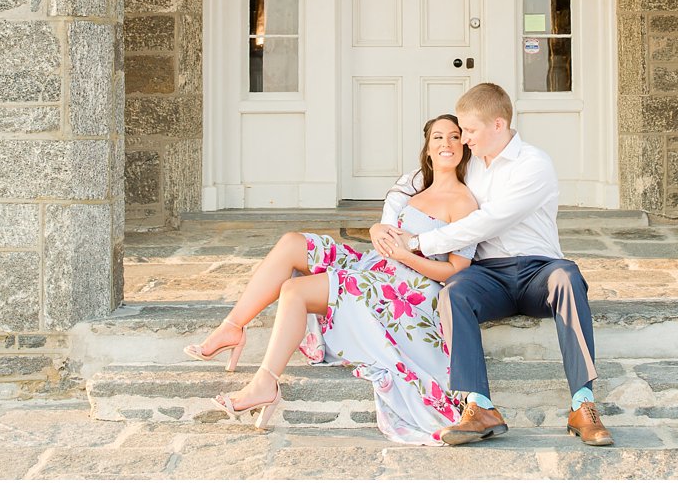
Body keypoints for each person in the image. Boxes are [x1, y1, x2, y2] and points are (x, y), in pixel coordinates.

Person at [183, 114, 479, 443]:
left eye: (454, 137)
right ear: (427, 148)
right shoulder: (415, 187)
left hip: (405, 288)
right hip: (374, 264)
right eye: (438, 137)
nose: (446, 144)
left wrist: (406, 256)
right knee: (293, 243)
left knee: (295, 291)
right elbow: (386, 228)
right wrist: (378, 229)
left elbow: (455, 271)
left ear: (464, 147)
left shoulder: (465, 202)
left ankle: (265, 384)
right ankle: (232, 327)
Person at [371, 82, 613, 447]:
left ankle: (583, 404)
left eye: (469, 130)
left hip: (538, 271)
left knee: (568, 276)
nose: (462, 139)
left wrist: (420, 243)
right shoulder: (471, 166)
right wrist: (383, 222)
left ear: (497, 126)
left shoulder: (533, 164)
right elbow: (419, 180)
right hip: (488, 274)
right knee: (454, 291)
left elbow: (491, 220)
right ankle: (479, 406)